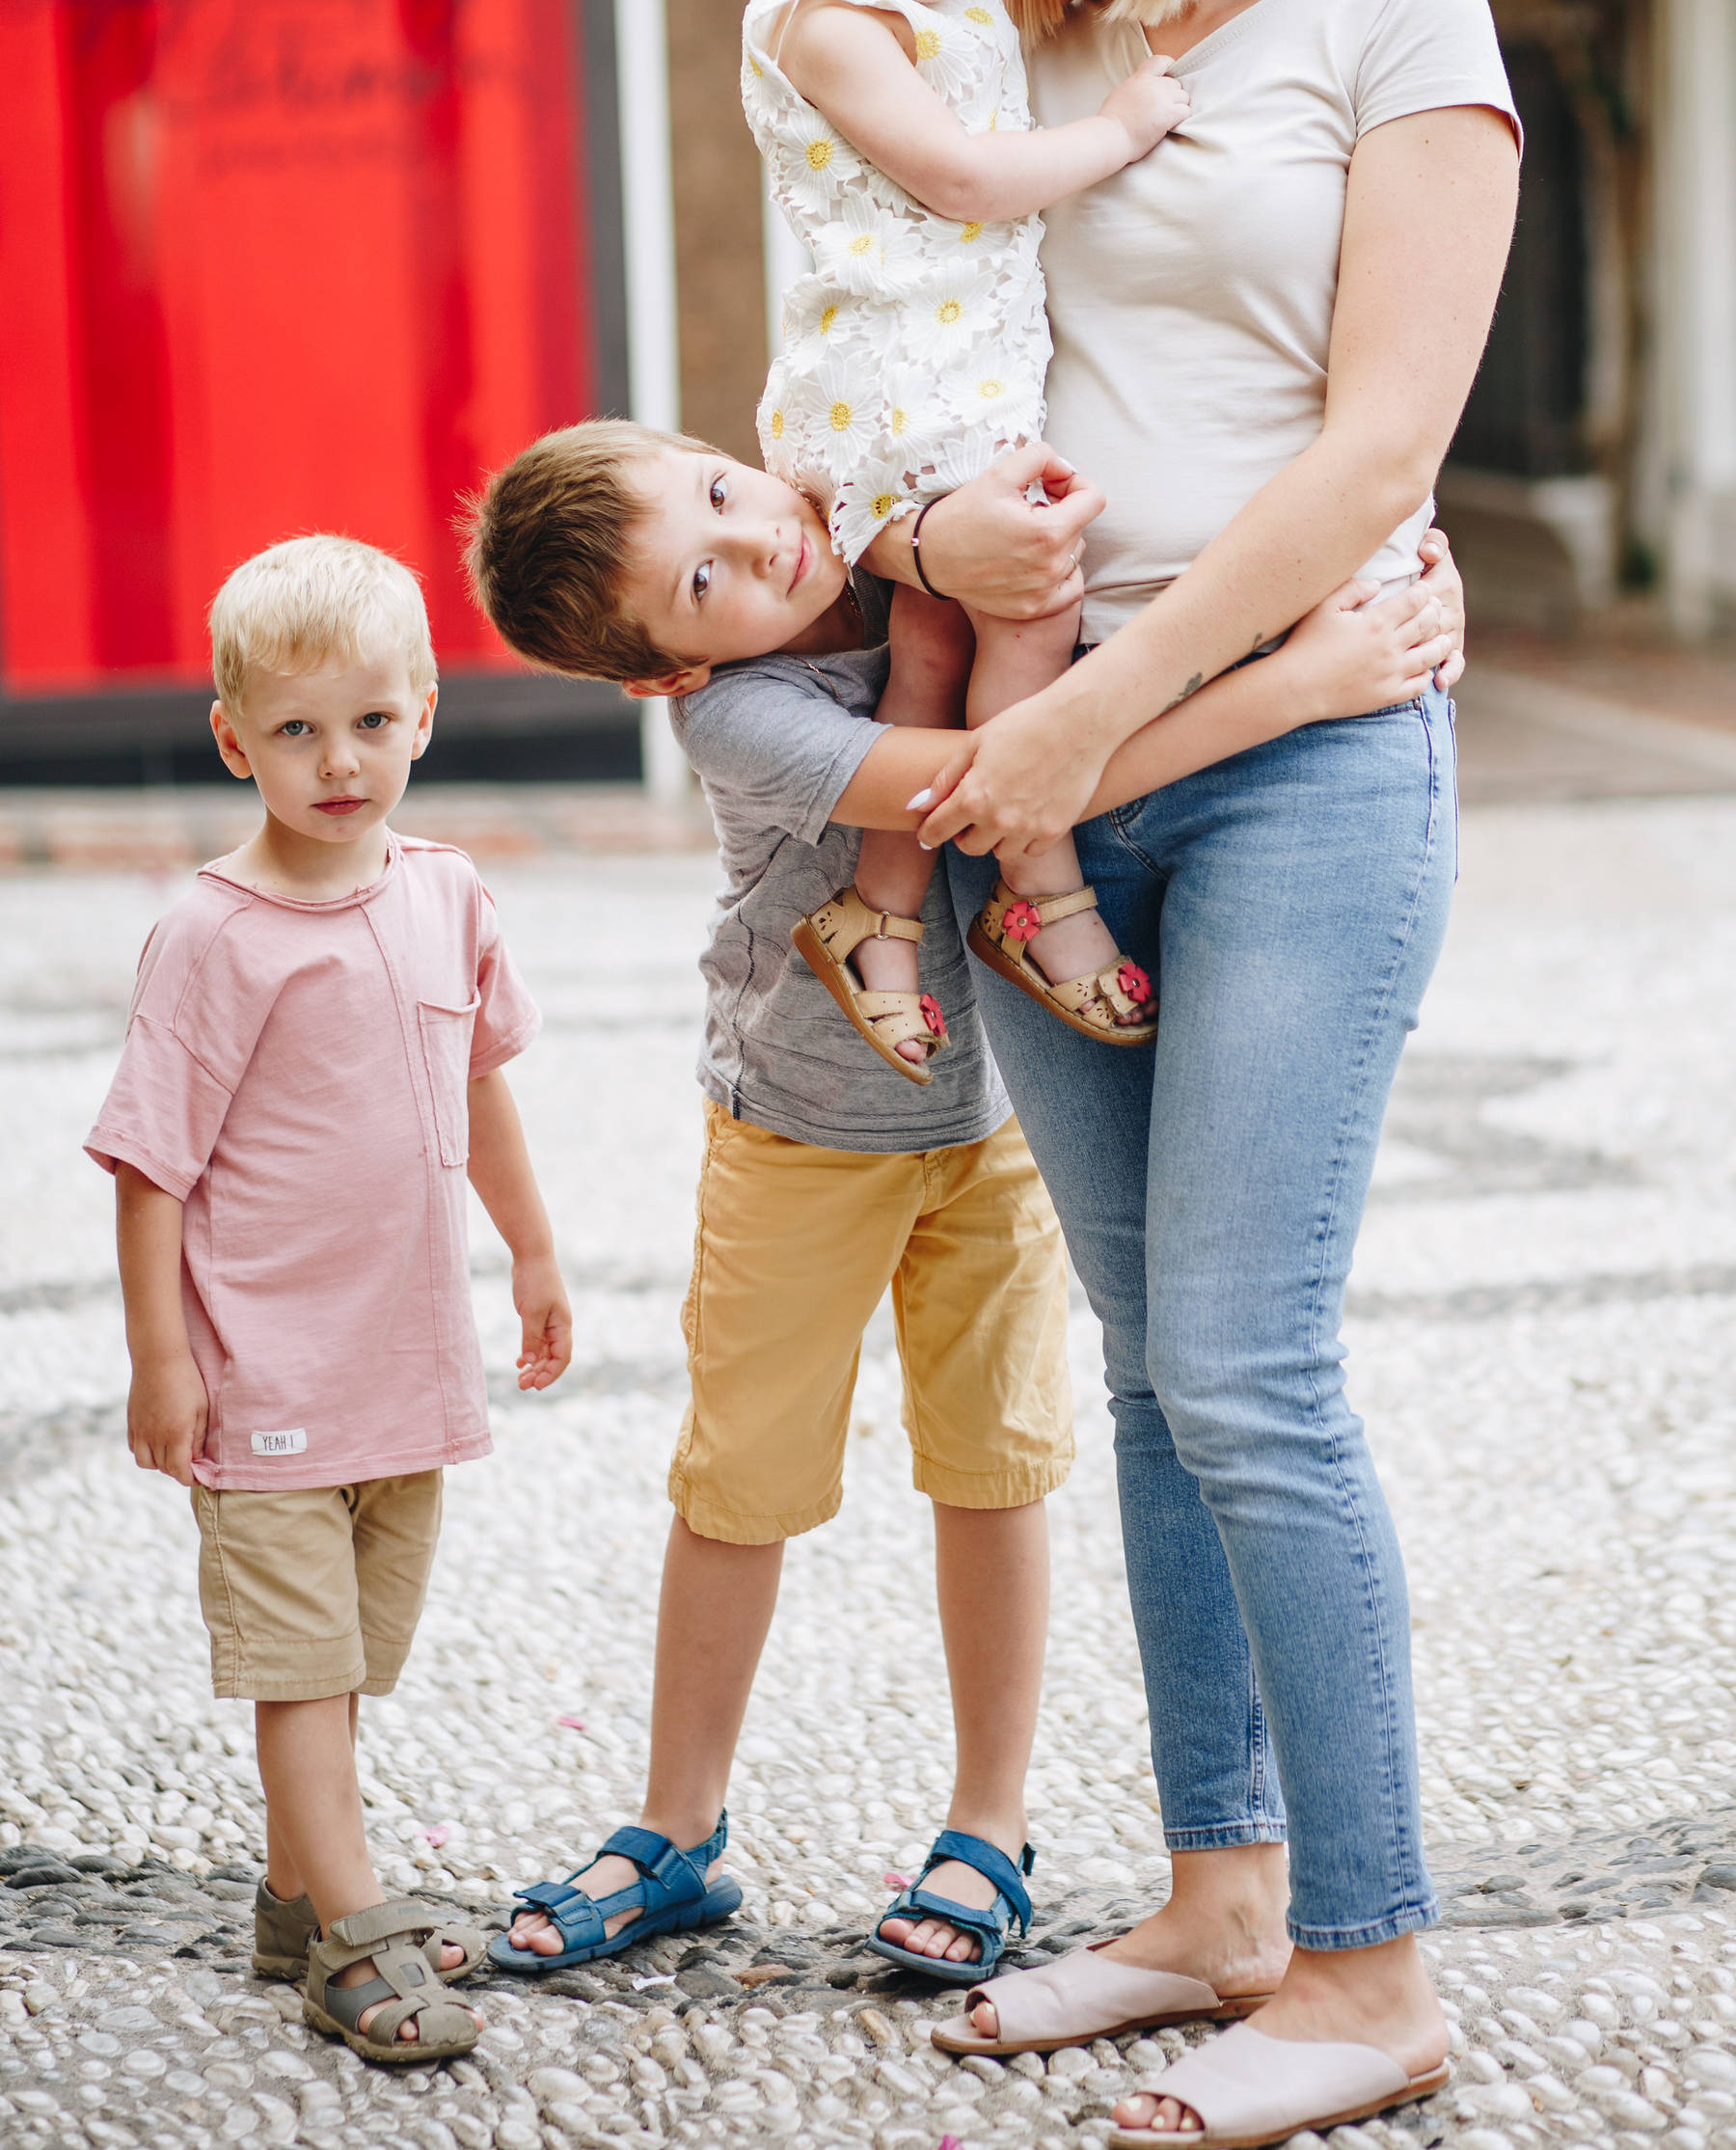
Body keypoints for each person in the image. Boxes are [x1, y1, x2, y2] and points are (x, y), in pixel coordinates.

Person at [849, 0, 1519, 2144]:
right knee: (1147, 1373)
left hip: (1287, 761)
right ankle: (1222, 1897)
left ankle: (1370, 1962)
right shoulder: (1016, 37)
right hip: (1038, 772)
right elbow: (888, 310)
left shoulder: (1400, 22)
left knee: (1250, 1356)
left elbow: (1375, 454)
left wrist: (1111, 718)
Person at [460, 418, 1461, 1986]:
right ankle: (676, 1826)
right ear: (666, 673)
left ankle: (988, 1828)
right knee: (742, 1483)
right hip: (796, 1131)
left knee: (994, 1469)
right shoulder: (745, 716)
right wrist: (1304, 684)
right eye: (703, 579)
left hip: (987, 1116)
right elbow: (1004, 786)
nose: (754, 547)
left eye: (721, 493)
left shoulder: (881, 525)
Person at [85, 535, 571, 2070]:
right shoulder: (214, 938)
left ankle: (302, 1899)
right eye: (295, 730)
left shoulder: (446, 893)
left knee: (352, 1656)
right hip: (265, 1378)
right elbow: (148, 1168)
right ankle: (352, 1942)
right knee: (302, 1670)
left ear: (424, 711)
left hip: (405, 1367)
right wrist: (164, 1364)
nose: (339, 760)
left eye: (369, 721)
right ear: (235, 741)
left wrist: (536, 1255)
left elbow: (479, 1086)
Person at [742, 0, 1191, 1080]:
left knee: (930, 643)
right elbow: (956, 176)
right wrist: (1118, 132)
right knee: (1032, 596)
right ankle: (1036, 880)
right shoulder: (822, 16)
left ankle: (877, 911)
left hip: (959, 375)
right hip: (889, 384)